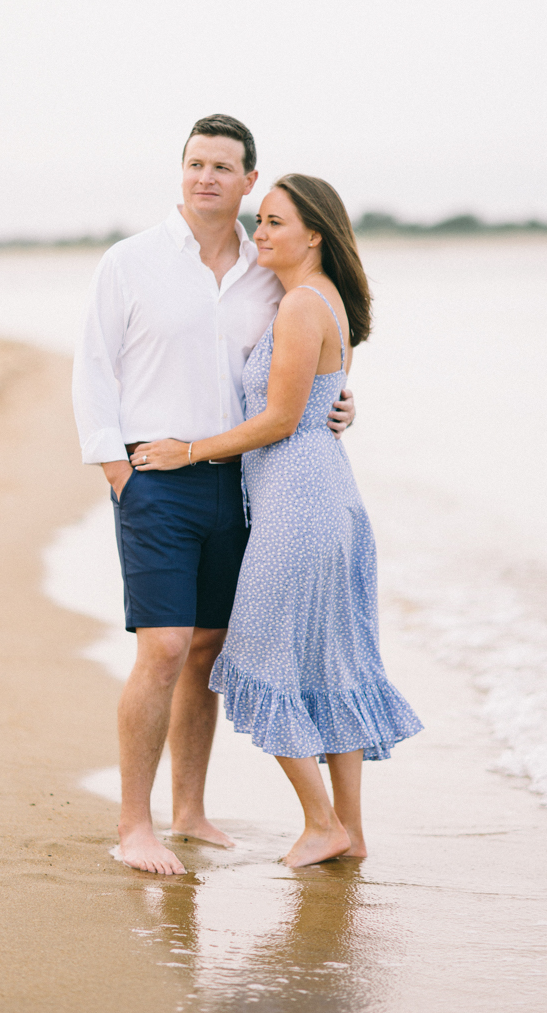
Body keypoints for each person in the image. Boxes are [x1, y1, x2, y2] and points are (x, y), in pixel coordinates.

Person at [72, 118, 354, 876]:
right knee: (162, 648)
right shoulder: (129, 262)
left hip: (242, 483)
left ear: (248, 180)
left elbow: (302, 360)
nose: (207, 178)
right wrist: (117, 470)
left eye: (223, 167)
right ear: (182, 172)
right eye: (196, 164)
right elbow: (93, 368)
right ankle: (137, 825)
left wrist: (341, 402)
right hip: (155, 477)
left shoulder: (269, 270)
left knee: (207, 651)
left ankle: (190, 811)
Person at [131, 174, 422, 867]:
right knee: (331, 664)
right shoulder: (323, 302)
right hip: (327, 500)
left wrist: (185, 451)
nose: (258, 233)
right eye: (260, 222)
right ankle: (348, 833)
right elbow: (315, 402)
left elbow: (280, 421)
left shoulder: (299, 308)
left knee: (258, 656)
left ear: (314, 234)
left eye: (275, 223)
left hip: (297, 506)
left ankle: (322, 824)